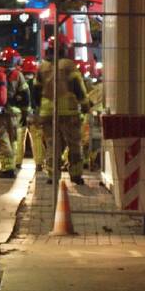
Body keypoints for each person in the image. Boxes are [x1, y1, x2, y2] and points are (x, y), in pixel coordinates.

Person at [36, 35, 92, 185]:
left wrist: (37, 111)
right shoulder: (68, 65)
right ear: (64, 48)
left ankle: (52, 176)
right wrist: (85, 104)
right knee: (74, 144)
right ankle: (75, 175)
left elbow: (35, 91)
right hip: (69, 112)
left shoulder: (42, 66)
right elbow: (78, 87)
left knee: (52, 144)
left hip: (47, 112)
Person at [0, 46, 30, 179]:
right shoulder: (18, 75)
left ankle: (7, 168)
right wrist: (25, 113)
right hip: (14, 113)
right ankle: (12, 165)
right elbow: (25, 95)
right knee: (12, 139)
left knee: (2, 140)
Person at [16, 56, 45, 172]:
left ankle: (17, 162)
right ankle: (39, 163)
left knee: (19, 138)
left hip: (21, 114)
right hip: (34, 114)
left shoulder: (18, 80)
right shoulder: (38, 83)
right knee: (37, 139)